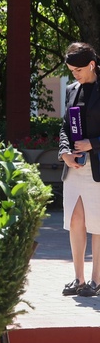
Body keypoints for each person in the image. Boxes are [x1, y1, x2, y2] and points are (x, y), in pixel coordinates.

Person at [59, 41, 100, 298]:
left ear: (92, 64)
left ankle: (97, 281)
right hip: (74, 167)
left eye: (78, 70)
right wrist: (64, 151)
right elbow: (64, 126)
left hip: (97, 167)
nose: (75, 75)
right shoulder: (72, 89)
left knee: (98, 225)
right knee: (75, 220)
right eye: (72, 70)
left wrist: (92, 145)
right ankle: (79, 279)